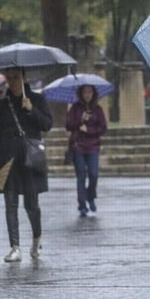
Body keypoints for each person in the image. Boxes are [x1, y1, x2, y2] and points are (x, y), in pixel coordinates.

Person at [0, 68, 52, 263]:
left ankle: (36, 238)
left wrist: (31, 110)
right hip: (7, 160)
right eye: (9, 78)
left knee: (31, 205)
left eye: (16, 77)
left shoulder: (36, 99)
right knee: (10, 203)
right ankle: (15, 247)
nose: (12, 82)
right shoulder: (2, 104)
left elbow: (47, 124)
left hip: (30, 160)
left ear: (23, 77)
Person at [66, 84, 108, 217]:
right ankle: (82, 204)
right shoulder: (75, 108)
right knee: (81, 176)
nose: (87, 95)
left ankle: (91, 196)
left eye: (90, 92)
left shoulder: (97, 109)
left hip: (93, 146)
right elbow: (68, 125)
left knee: (93, 174)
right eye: (85, 92)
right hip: (78, 145)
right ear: (81, 93)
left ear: (93, 93)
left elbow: (103, 128)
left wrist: (89, 130)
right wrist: (80, 121)